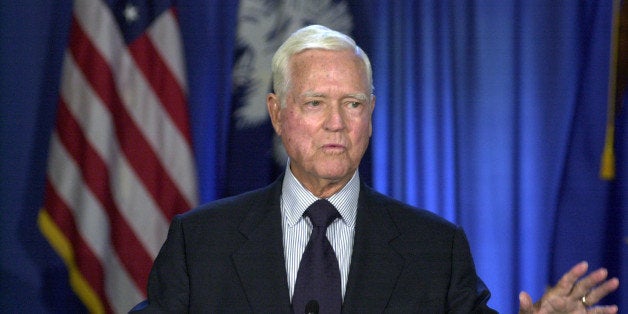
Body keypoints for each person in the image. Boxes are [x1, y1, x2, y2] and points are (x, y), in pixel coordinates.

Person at [131, 25, 619, 313]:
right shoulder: (202, 242)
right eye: (316, 102)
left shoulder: (434, 248)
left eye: (353, 103)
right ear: (277, 114)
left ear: (371, 114)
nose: (337, 124)